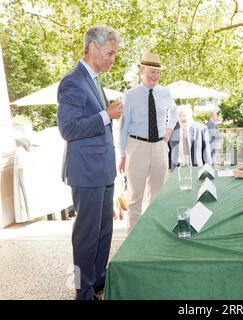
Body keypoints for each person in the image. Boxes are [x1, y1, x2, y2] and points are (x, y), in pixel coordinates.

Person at [57, 26, 122, 300]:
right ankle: (81, 290)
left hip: (103, 171)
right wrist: (106, 115)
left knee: (103, 230)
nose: (112, 59)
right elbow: (68, 128)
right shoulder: (72, 81)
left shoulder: (94, 80)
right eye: (110, 53)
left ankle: (96, 280)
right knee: (85, 236)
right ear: (93, 49)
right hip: (86, 173)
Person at [119, 52, 177, 233]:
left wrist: (169, 128)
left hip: (160, 147)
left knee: (158, 196)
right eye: (152, 72)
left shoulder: (165, 92)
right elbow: (124, 127)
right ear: (142, 70)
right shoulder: (130, 95)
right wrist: (122, 155)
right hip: (137, 147)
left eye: (158, 72)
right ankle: (132, 241)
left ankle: (154, 235)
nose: (155, 76)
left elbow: (173, 112)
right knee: (135, 197)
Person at [168, 105, 212, 170]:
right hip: (176, 168)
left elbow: (206, 152)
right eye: (179, 116)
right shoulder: (171, 130)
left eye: (184, 115)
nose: (181, 118)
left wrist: (208, 169)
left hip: (196, 168)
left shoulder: (201, 129)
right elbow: (168, 150)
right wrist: (169, 167)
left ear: (190, 116)